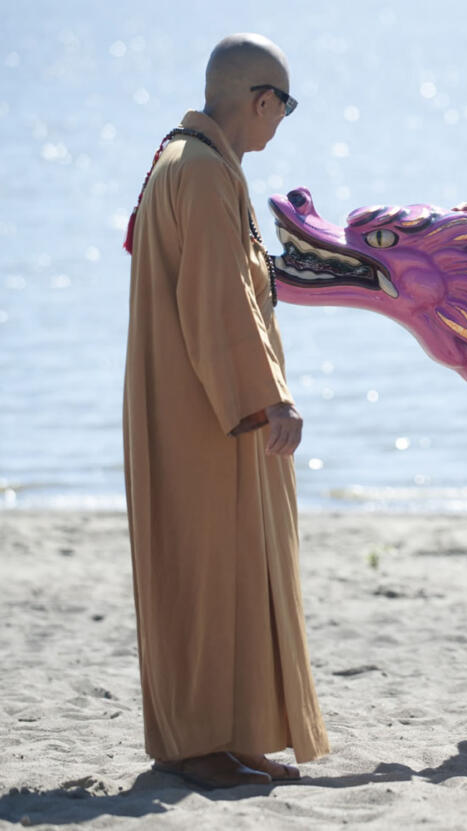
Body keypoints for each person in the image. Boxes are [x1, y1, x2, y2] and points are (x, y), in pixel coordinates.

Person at [122, 33, 329, 789]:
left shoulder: (184, 161)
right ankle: (200, 742)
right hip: (206, 414)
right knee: (208, 572)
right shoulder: (203, 173)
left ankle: (227, 735)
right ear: (260, 100)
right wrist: (268, 399)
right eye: (283, 106)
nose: (280, 123)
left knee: (223, 570)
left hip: (189, 402)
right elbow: (222, 301)